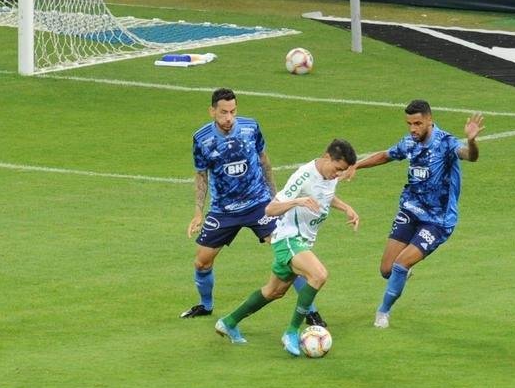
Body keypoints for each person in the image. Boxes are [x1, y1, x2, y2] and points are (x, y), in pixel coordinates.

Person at [183, 88, 329, 326]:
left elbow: (265, 162)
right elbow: (201, 175)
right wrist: (198, 211)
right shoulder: (202, 138)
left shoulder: (251, 128)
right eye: (223, 112)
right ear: (212, 111)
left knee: (288, 255)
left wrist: (276, 200)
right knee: (202, 261)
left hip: (258, 203)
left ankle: (310, 312)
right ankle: (206, 305)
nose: (228, 117)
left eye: (232, 111)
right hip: (223, 210)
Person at [214, 139, 359, 356]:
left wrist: (346, 207)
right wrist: (297, 201)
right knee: (318, 275)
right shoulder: (303, 175)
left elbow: (325, 196)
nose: (338, 175)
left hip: (303, 240)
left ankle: (229, 322)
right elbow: (270, 210)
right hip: (288, 238)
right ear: (327, 157)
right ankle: (291, 332)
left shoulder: (330, 175)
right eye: (337, 169)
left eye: (342, 171)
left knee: (274, 291)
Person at [352, 101, 483, 328]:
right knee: (386, 269)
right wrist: (356, 166)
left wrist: (471, 141)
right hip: (410, 210)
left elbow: (470, 156)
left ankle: (383, 313)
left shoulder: (446, 142)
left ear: (430, 120)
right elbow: (386, 155)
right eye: (409, 124)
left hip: (438, 220)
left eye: (418, 123)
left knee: (400, 264)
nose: (413, 129)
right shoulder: (409, 142)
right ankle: (402, 273)